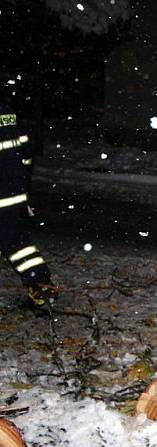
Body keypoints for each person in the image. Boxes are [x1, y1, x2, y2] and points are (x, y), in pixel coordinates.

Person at [0, 100, 57, 309]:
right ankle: (40, 282)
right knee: (17, 241)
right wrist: (21, 179)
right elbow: (25, 148)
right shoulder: (6, 109)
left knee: (12, 241)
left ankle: (39, 283)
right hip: (14, 190)